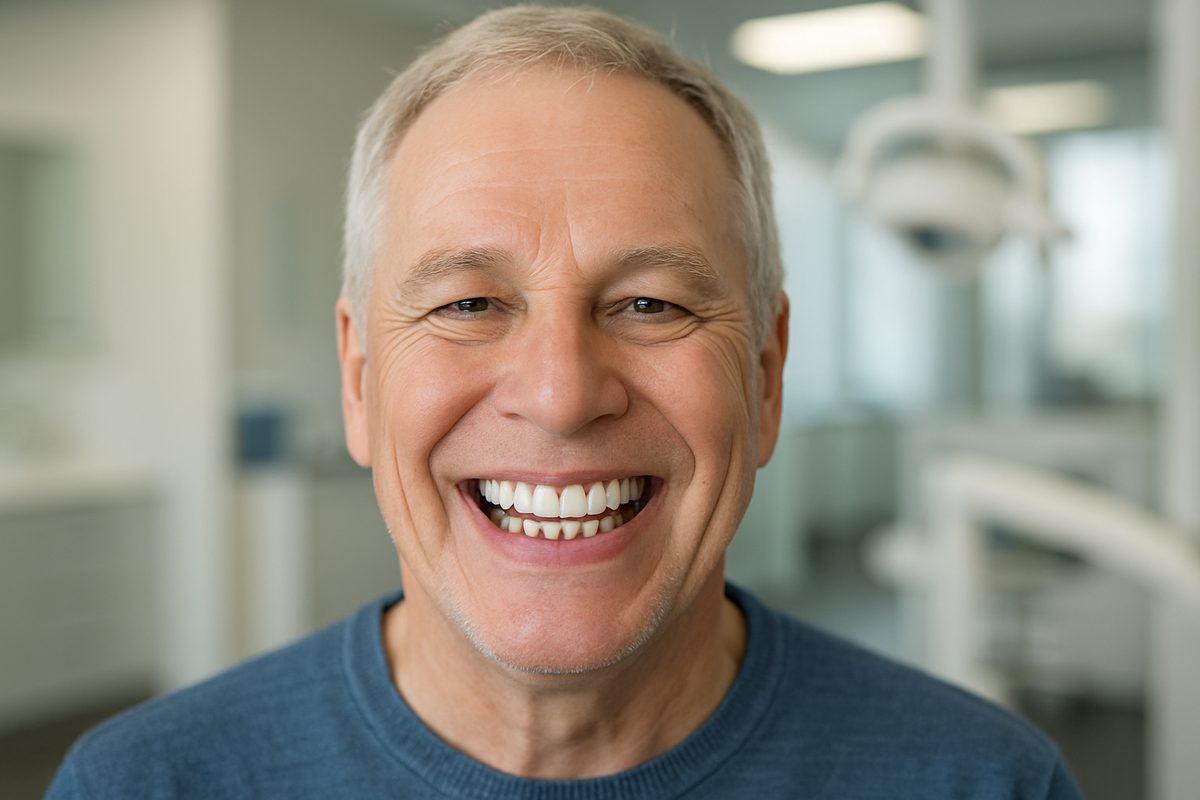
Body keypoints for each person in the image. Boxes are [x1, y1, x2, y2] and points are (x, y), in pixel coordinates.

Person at [48, 6, 1082, 798]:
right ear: (360, 378)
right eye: (468, 301)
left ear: (765, 377)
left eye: (649, 301)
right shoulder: (142, 783)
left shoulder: (983, 781)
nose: (559, 392)